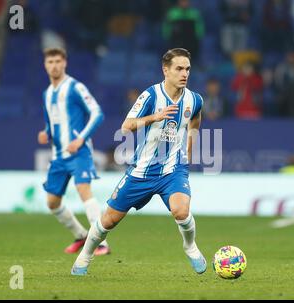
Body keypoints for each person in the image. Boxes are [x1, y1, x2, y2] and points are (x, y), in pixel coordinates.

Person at [71, 48, 206, 276]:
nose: (185, 74)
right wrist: (155, 116)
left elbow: (194, 122)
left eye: (188, 69)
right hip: (142, 171)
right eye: (179, 69)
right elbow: (126, 126)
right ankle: (85, 256)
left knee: (181, 211)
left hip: (173, 170)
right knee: (108, 221)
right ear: (166, 70)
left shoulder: (195, 100)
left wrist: (188, 154)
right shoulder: (151, 96)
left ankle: (190, 246)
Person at [38, 48, 110, 256]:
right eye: (50, 62)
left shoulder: (75, 87)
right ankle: (81, 235)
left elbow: (97, 113)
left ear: (65, 63)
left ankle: (101, 242)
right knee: (52, 203)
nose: (54, 65)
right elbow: (51, 123)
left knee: (83, 190)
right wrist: (45, 133)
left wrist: (80, 139)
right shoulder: (47, 94)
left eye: (58, 61)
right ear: (45, 65)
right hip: (59, 156)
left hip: (79, 152)